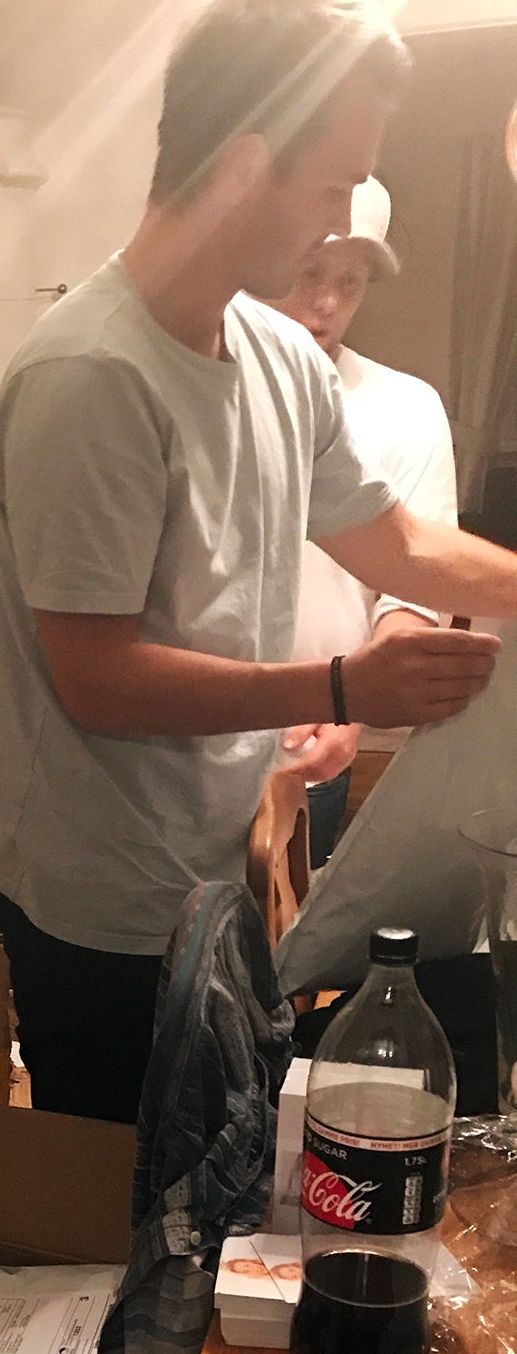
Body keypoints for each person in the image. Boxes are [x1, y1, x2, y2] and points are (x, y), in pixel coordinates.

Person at [0, 0, 517, 1125]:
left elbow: (393, 539)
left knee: (217, 1162)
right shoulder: (91, 376)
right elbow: (96, 678)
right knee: (118, 1198)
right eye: (331, 185)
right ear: (240, 166)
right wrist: (343, 685)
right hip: (103, 908)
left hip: (224, 867)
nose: (339, 220)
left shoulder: (274, 355)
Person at [263, 177, 459, 865]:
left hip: (313, 746)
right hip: (184, 751)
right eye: (310, 272)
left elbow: (415, 592)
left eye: (350, 282)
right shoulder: (205, 395)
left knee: (290, 923)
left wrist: (353, 699)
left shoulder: (405, 408)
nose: (327, 302)